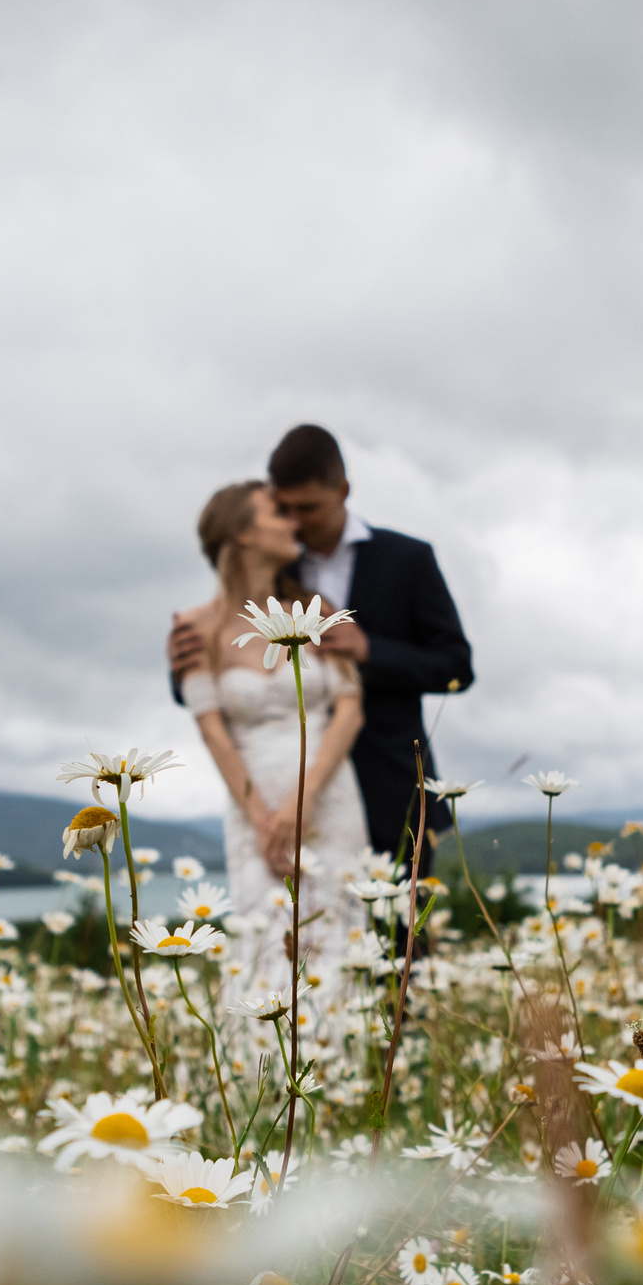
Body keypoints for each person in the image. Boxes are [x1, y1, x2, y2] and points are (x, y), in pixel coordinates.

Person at [170, 425, 473, 876]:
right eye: (283, 508)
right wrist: (182, 669)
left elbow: (456, 666)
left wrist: (371, 649)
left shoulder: (407, 559)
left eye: (307, 508)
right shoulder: (275, 561)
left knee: (407, 936)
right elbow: (228, 664)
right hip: (280, 783)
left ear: (343, 491)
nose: (294, 521)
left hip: (388, 779)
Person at [174, 480, 371, 995]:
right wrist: (265, 819)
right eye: (276, 513)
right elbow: (210, 728)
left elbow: (350, 709)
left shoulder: (318, 609)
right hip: (252, 809)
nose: (292, 522)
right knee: (264, 951)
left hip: (331, 799)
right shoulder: (194, 628)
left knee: (337, 944)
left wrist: (301, 805)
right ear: (241, 533)